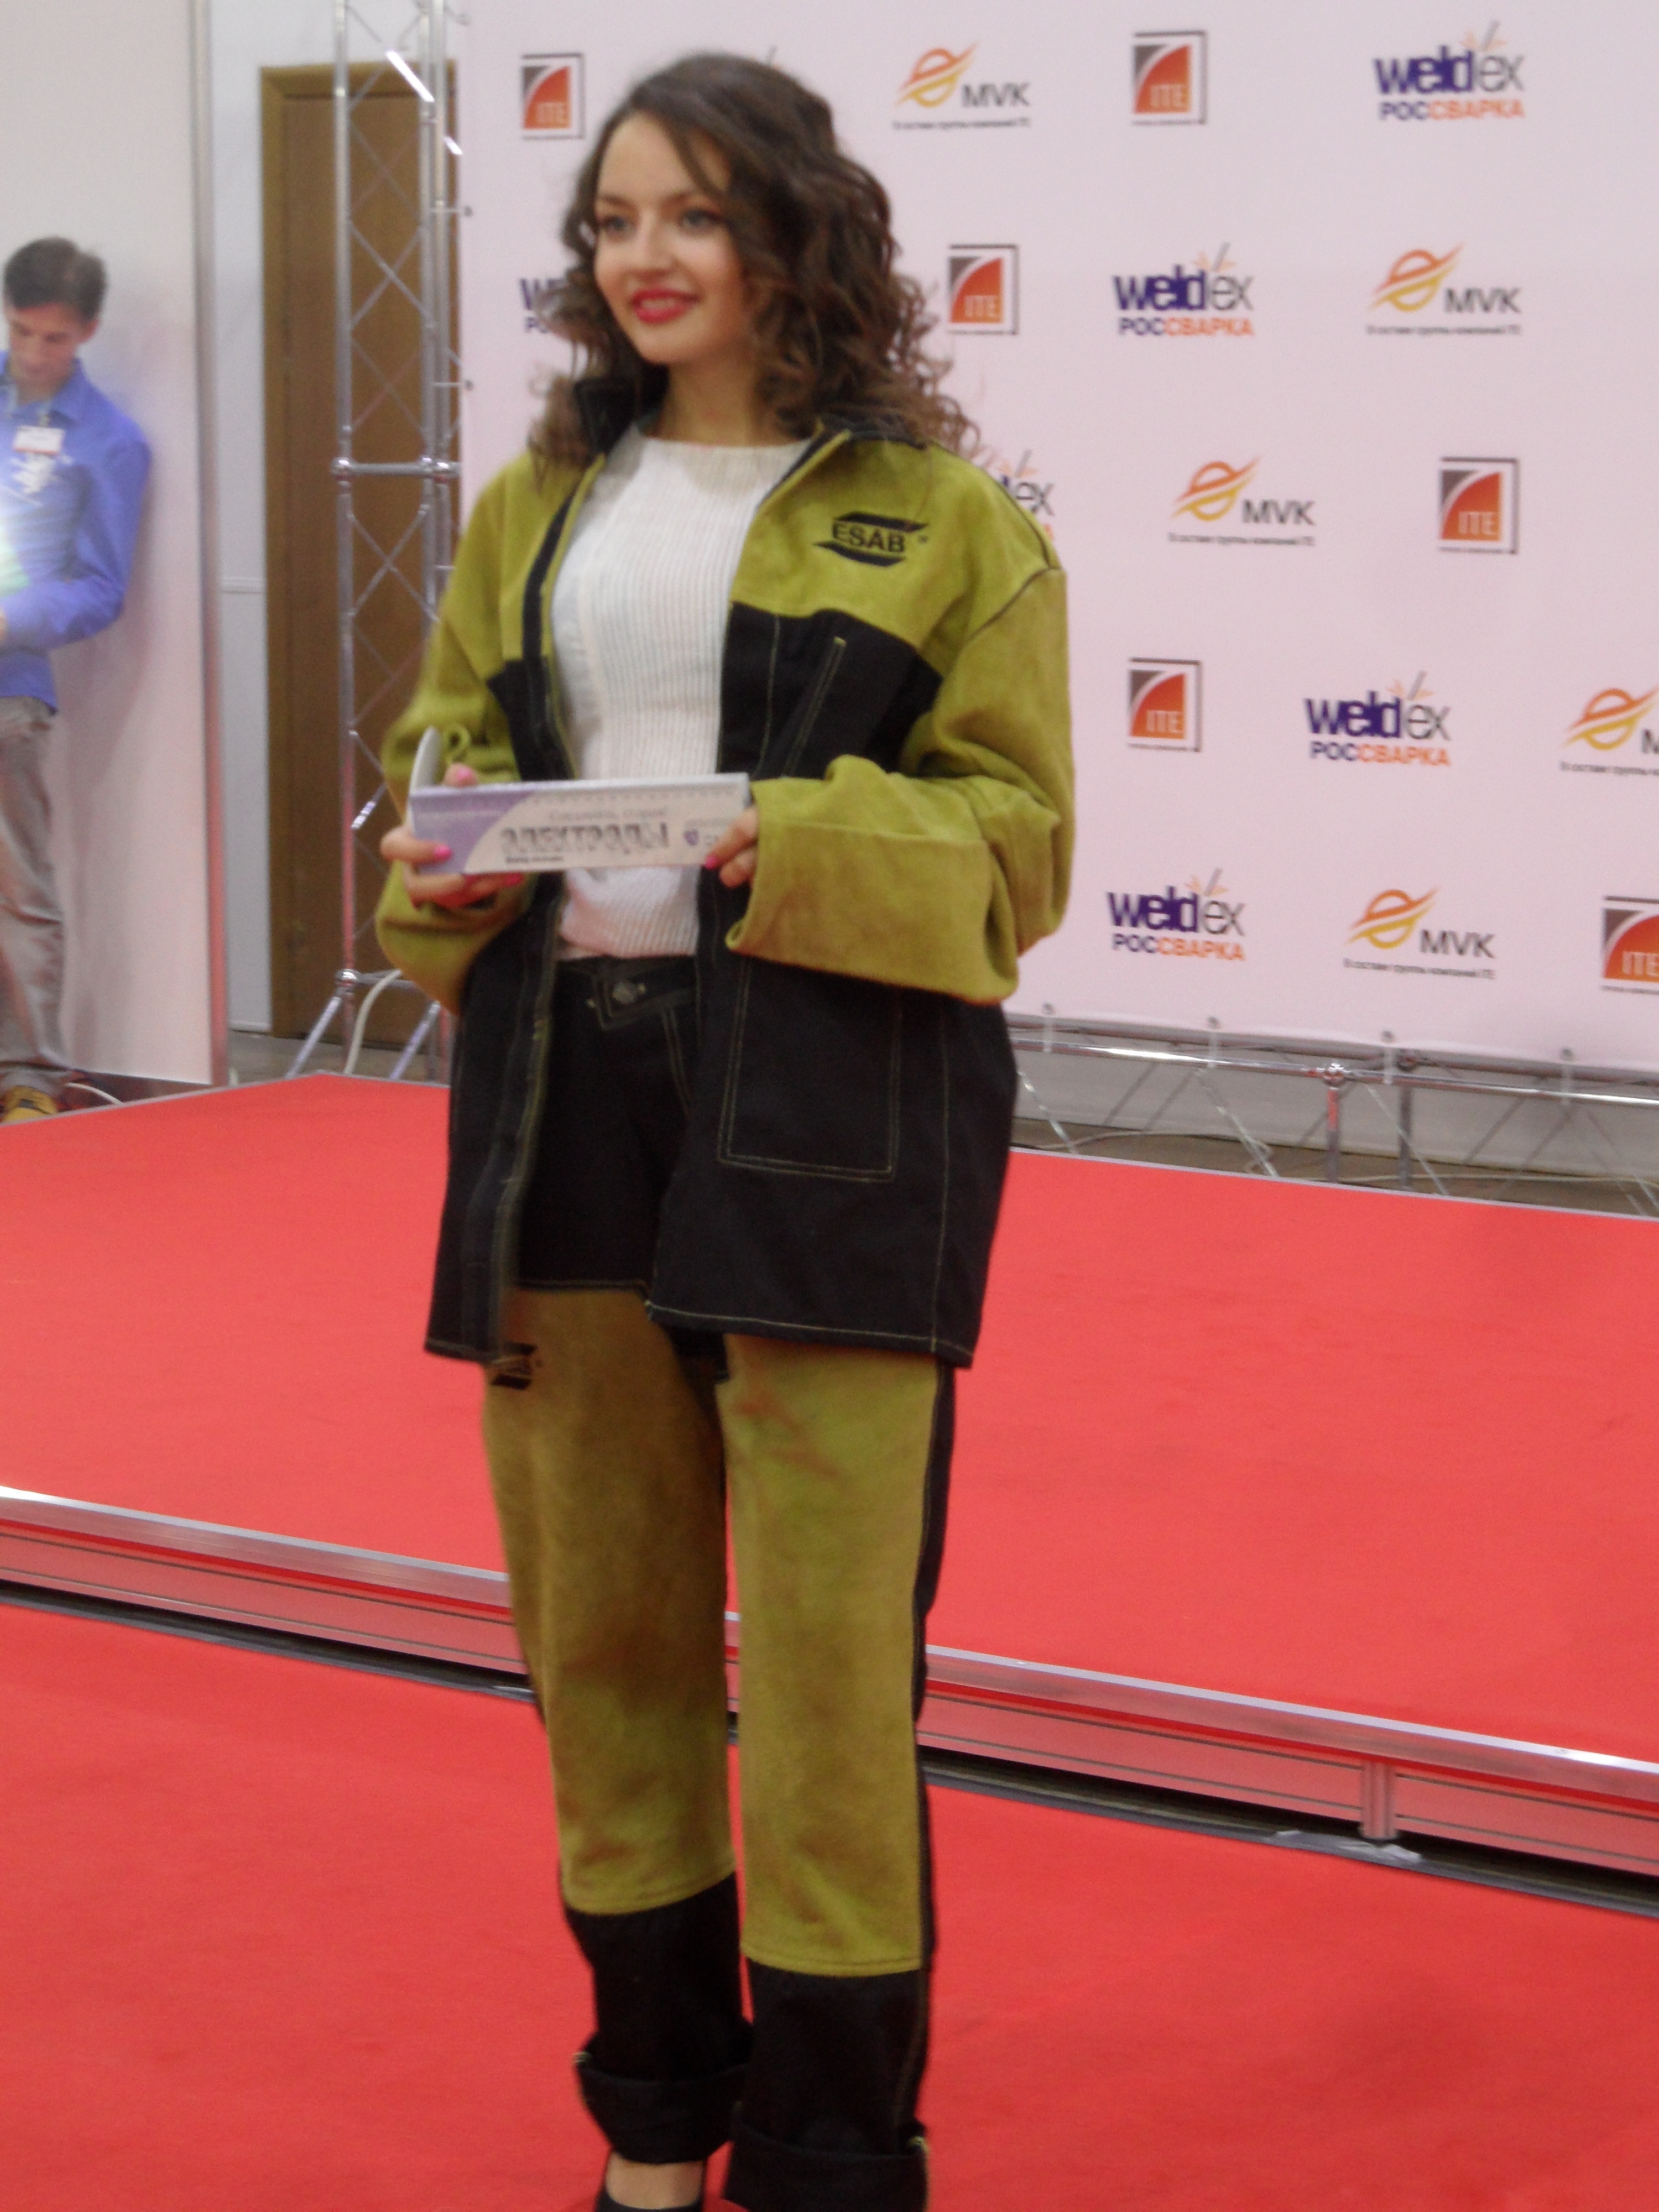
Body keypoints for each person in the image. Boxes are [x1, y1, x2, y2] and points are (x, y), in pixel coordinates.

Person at [378, 53, 1071, 2212]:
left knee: (836, 1671)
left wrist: (799, 833)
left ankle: (834, 2153)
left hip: (834, 1108)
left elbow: (1017, 844)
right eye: (612, 221)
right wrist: (437, 850)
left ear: (792, 236)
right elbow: (442, 751)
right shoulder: (538, 501)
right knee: (604, 1644)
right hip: (562, 1095)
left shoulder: (948, 522)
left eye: (690, 214)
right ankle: (658, 2121)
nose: (645, 258)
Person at [0, 237, 149, 1126]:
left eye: (53, 338)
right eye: (20, 331)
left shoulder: (109, 441)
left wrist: (7, 618)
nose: (33, 352)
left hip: (9, 687)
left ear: (87, 331)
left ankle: (29, 1078)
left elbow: (100, 587)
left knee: (19, 888)